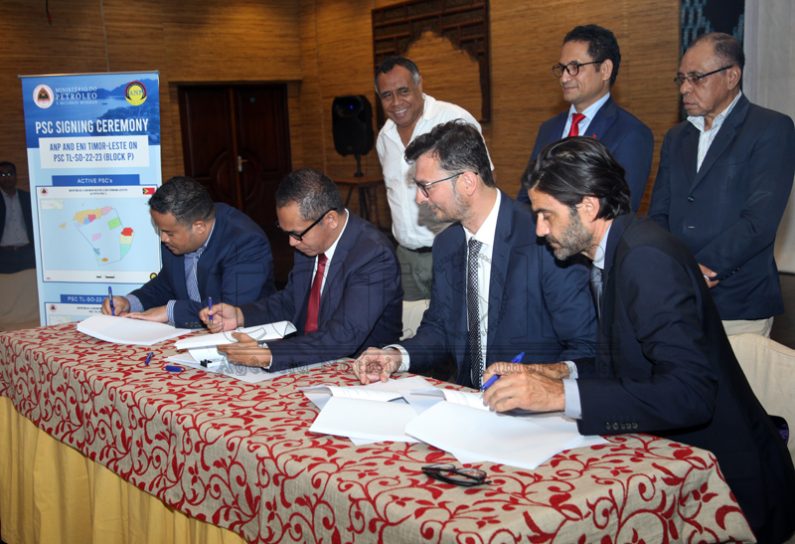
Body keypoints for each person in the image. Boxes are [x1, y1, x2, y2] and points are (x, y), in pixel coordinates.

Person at [488, 136, 795, 544]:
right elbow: (630, 363)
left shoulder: (645, 259)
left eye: (546, 215)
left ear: (588, 207)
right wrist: (555, 372)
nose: (540, 230)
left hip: (720, 488)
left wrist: (558, 396)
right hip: (671, 464)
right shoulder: (616, 250)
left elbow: (690, 393)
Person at [352, 120, 596, 388]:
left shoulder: (544, 238)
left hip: (533, 403)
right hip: (465, 397)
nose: (419, 199)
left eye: (426, 186)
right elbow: (439, 329)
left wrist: (540, 380)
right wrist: (396, 356)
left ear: (467, 182)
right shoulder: (448, 243)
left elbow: (585, 348)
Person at [648, 32, 795, 337]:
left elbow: (759, 222)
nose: (685, 88)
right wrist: (669, 267)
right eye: (681, 78)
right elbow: (659, 212)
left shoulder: (771, 128)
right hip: (676, 299)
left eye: (696, 77)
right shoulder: (676, 137)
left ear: (731, 76)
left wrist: (698, 268)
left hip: (738, 301)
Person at [201, 168, 402, 371]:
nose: (292, 242)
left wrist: (269, 354)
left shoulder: (372, 255)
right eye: (287, 233)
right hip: (309, 361)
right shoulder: (309, 244)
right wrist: (240, 315)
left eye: (297, 234)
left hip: (359, 370)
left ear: (330, 219)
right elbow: (292, 301)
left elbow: (344, 335)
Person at [375, 55, 487, 300]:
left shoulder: (453, 120)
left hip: (453, 250)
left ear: (419, 85)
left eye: (403, 91)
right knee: (412, 322)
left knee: (459, 320)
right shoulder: (384, 138)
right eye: (386, 95)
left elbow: (485, 182)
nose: (396, 102)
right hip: (406, 257)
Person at [101, 176, 275, 328]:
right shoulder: (176, 238)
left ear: (199, 227)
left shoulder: (245, 242)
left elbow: (229, 310)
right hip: (191, 337)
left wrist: (169, 312)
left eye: (169, 233)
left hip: (247, 339)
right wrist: (130, 302)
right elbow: (167, 284)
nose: (163, 239)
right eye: (160, 231)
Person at [516, 24, 653, 212]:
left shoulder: (631, 133)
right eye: (562, 68)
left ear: (605, 70)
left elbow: (620, 211)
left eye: (575, 67)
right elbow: (526, 196)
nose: (564, 78)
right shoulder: (548, 128)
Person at [0, 161, 36, 274]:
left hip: (27, 253)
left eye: (10, 173)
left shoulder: (27, 197)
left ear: (16, 176)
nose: (7, 177)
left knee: (28, 284)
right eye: (2, 174)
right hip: (3, 255)